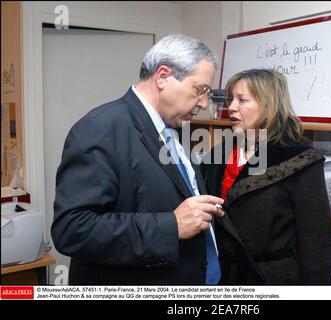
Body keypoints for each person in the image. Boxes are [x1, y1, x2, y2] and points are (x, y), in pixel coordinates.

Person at [51, 34, 225, 285]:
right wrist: (171, 225)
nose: (204, 103)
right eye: (200, 90)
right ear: (163, 77)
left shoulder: (175, 127)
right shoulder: (100, 129)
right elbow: (72, 230)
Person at [201, 69, 331, 284]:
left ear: (268, 107)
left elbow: (315, 238)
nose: (231, 107)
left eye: (242, 100)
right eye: (230, 99)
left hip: (272, 279)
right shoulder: (220, 151)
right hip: (223, 276)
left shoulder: (299, 158)